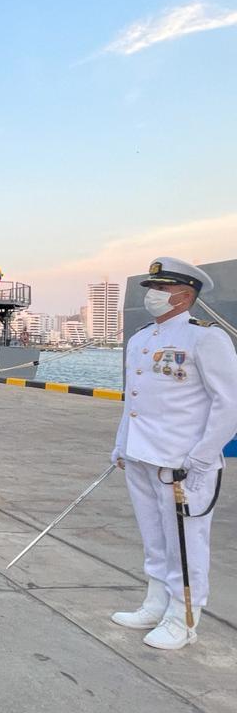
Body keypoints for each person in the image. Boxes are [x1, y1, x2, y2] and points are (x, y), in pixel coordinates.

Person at [110, 257, 237, 650]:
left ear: (184, 296)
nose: (152, 295)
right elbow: (134, 400)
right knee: (155, 538)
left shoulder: (206, 338)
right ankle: (155, 602)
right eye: (152, 288)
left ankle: (183, 618)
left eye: (160, 289)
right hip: (142, 455)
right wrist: (121, 444)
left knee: (185, 541)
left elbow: (229, 403)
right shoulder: (141, 338)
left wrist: (201, 457)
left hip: (183, 464)